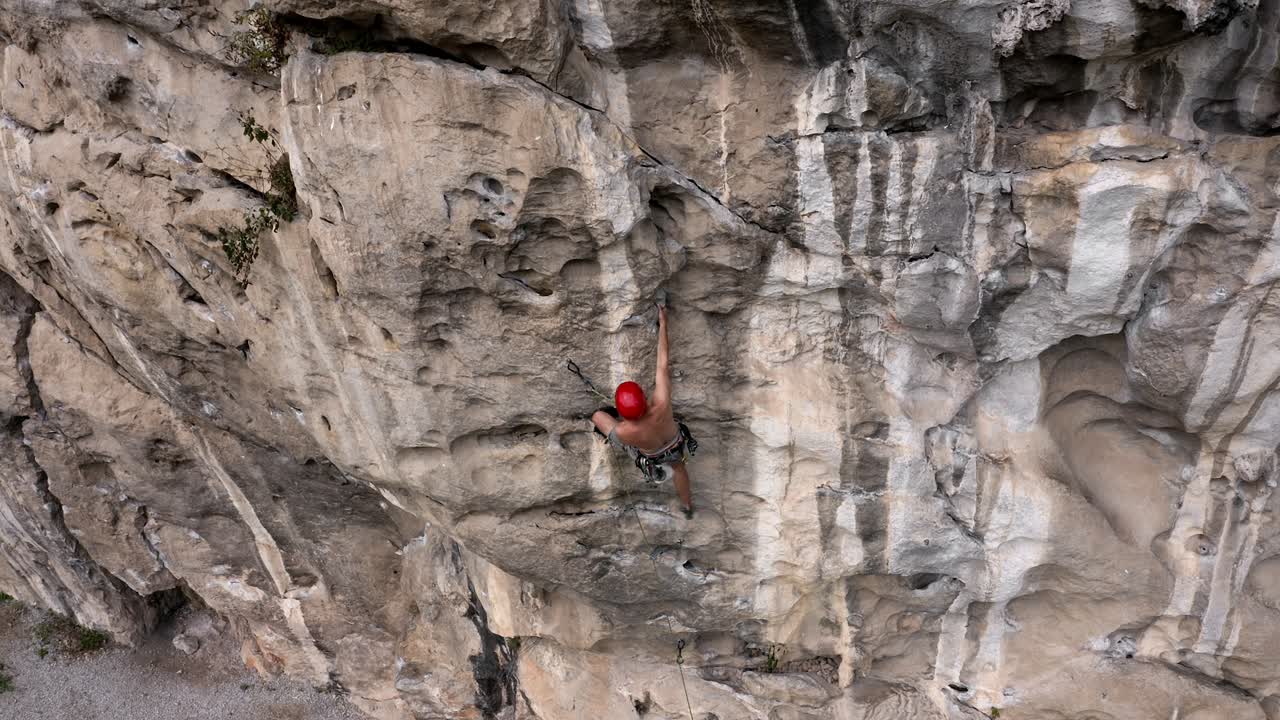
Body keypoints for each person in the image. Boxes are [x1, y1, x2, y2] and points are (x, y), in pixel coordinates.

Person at [592, 305, 697, 517]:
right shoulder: (661, 403)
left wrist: (616, 418)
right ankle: (687, 506)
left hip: (651, 452)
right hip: (676, 443)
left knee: (598, 417)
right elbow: (663, 364)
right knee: (678, 469)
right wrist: (664, 323)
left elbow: (603, 422)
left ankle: (652, 468)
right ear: (643, 398)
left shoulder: (624, 431)